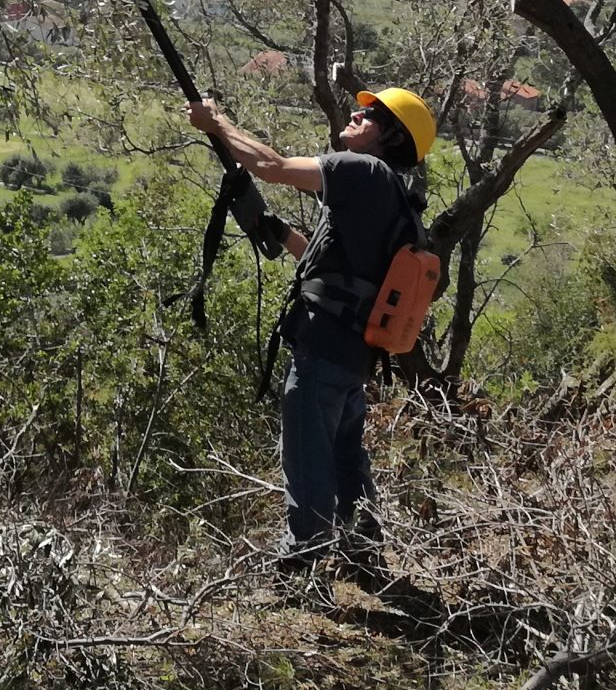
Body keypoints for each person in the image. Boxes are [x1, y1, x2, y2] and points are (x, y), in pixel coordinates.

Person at [187, 85, 437, 584]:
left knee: (306, 450)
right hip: (354, 351)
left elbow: (273, 166)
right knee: (344, 451)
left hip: (324, 345)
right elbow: (335, 270)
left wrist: (217, 123)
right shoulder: (392, 196)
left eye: (369, 113)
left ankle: (303, 556)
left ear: (391, 136)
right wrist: (282, 235)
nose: (356, 114)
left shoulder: (363, 170)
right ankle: (363, 546)